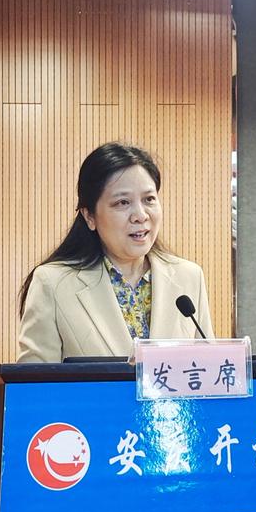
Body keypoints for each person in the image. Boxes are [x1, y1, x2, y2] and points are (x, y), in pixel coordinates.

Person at [17, 142, 215, 362]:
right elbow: (34, 379)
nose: (140, 215)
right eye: (122, 202)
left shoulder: (188, 276)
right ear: (89, 216)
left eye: (149, 199)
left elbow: (208, 368)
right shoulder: (53, 283)